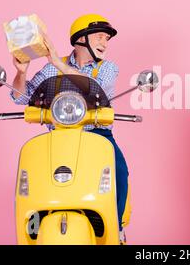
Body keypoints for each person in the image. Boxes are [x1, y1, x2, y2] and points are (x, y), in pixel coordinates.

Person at [10, 14, 130, 242]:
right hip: (59, 138)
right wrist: (21, 72)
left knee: (120, 171)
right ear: (80, 39)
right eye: (99, 37)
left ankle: (116, 226)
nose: (105, 43)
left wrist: (57, 62)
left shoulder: (106, 68)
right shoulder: (52, 69)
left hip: (98, 136)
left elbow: (96, 88)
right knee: (30, 179)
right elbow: (19, 97)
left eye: (107, 39)